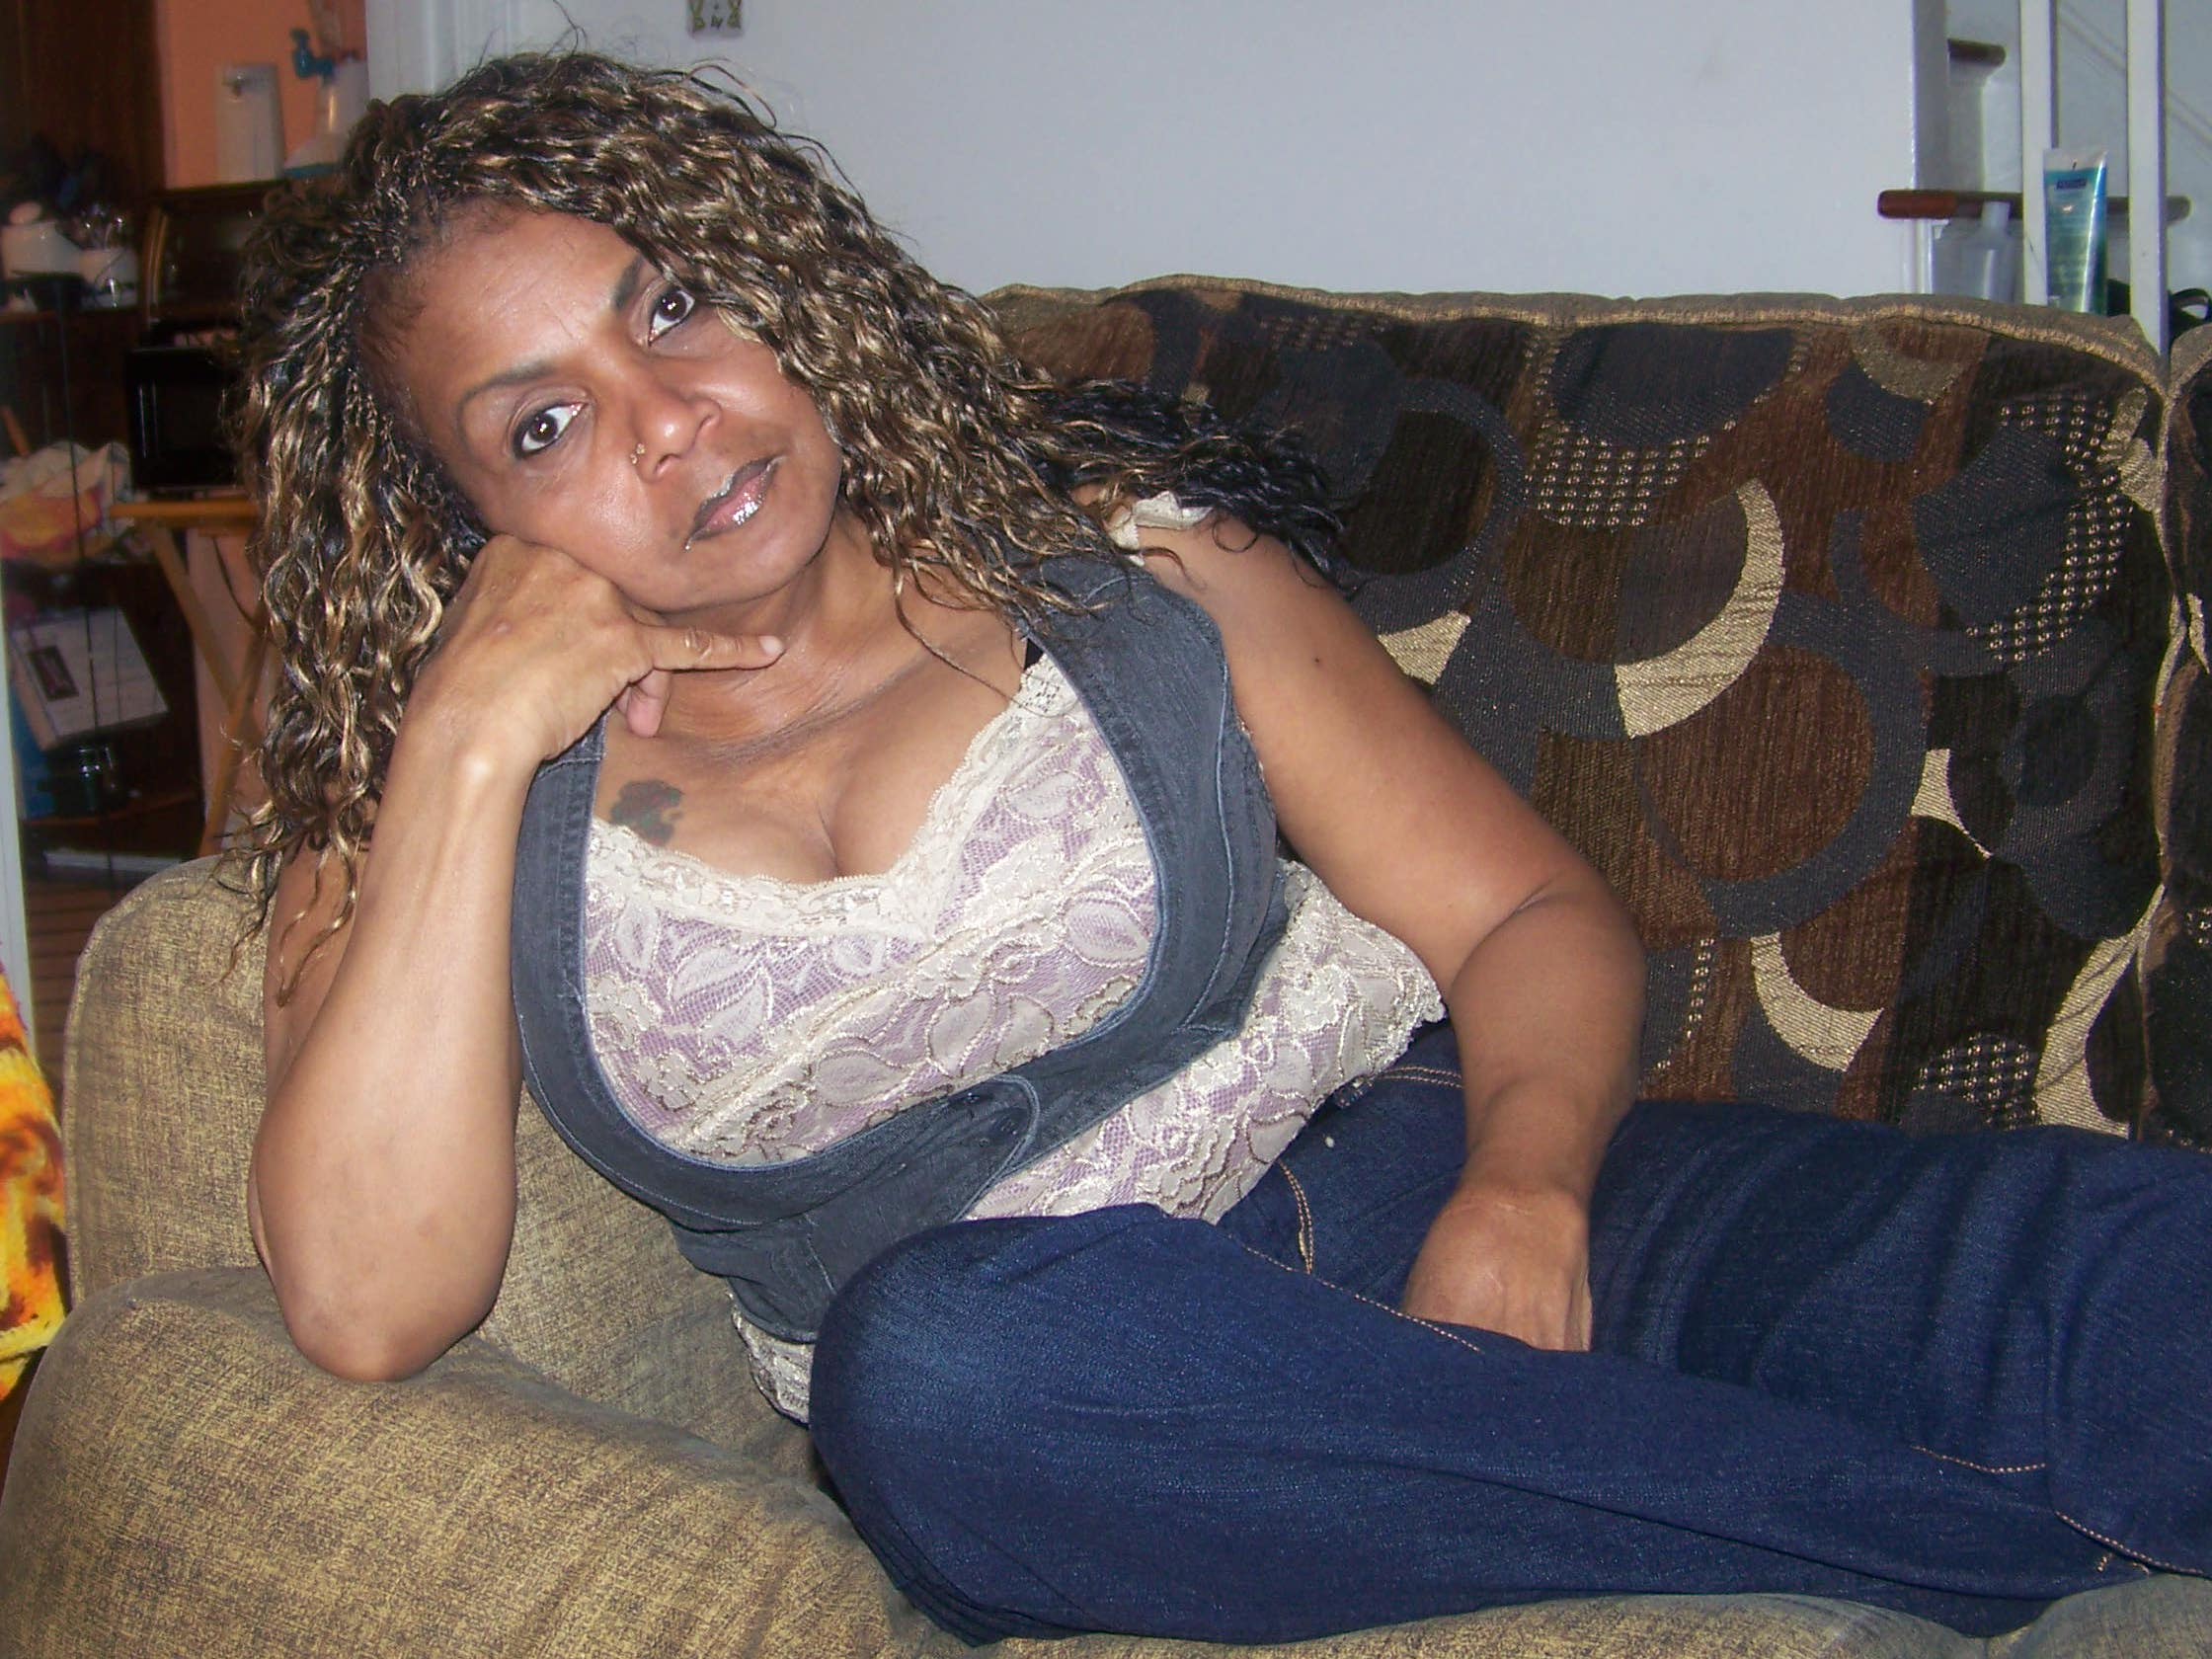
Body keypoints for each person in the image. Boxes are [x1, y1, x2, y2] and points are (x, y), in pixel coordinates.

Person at [231, 50, 2211, 1647]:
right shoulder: (435, 804)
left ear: (779, 286)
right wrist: (463, 735)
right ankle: (2008, 1570)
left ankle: (1867, 1527)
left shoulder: (1133, 573)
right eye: (543, 428)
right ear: (466, 525)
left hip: (1439, 1177)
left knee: (2128, 1278)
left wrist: (1524, 1188)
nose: (667, 419)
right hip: (1109, 1412)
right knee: (939, 1361)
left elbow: (1524, 910)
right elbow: (366, 1302)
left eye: (675, 305)